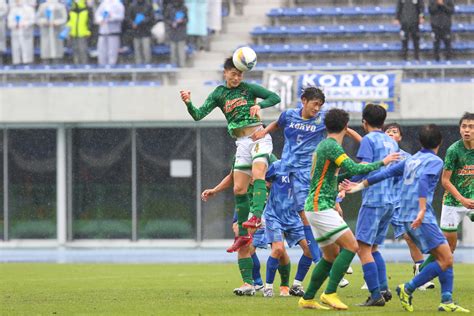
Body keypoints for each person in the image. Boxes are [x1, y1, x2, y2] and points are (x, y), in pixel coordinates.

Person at [345, 124, 469, 313]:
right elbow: (424, 182)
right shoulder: (434, 161)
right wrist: (421, 210)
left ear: (419, 142)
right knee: (446, 258)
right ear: (440, 143)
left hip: (403, 215)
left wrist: (358, 186)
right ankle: (408, 288)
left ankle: (446, 299)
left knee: (443, 256)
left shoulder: (412, 159)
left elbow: (384, 173)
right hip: (421, 216)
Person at [298, 108, 398, 310]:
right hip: (319, 206)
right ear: (346, 126)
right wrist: (383, 162)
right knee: (352, 246)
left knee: (329, 256)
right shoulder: (332, 146)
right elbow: (354, 169)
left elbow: (323, 178)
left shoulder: (326, 146)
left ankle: (307, 298)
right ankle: (330, 293)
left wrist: (335, 200)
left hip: (318, 205)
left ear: (326, 126)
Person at [181, 56, 280, 252]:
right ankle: (243, 236)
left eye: (240, 74)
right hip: (241, 143)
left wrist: (260, 105)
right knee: (238, 189)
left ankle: (257, 216)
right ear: (225, 72)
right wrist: (188, 102)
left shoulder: (249, 88)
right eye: (233, 74)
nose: (237, 78)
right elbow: (198, 115)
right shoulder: (219, 93)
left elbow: (275, 97)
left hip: (258, 137)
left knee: (259, 172)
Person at [253, 87, 361, 266]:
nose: (317, 108)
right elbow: (276, 124)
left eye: (320, 105)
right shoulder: (289, 115)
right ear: (304, 100)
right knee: (307, 214)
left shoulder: (322, 119)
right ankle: (325, 258)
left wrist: (366, 144)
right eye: (315, 104)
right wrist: (263, 133)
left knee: (327, 212)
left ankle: (333, 255)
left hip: (311, 172)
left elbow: (345, 130)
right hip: (291, 171)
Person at [351, 104, 399, 307]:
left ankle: (375, 295)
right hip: (390, 199)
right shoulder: (391, 142)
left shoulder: (368, 140)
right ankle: (383, 287)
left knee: (362, 248)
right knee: (374, 248)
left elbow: (364, 167)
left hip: (374, 199)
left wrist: (348, 180)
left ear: (364, 122)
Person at [383, 122, 435, 290]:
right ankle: (372, 276)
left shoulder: (407, 158)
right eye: (388, 131)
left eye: (395, 131)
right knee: (369, 242)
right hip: (378, 202)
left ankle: (421, 273)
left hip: (399, 203)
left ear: (400, 137)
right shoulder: (376, 155)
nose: (391, 133)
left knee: (409, 237)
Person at [262, 160, 313, 298]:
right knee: (278, 249)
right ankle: (268, 287)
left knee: (309, 250)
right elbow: (263, 180)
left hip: (294, 217)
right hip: (274, 216)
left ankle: (296, 285)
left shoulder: (305, 171)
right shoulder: (277, 166)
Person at [439, 112, 474, 251]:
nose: (467, 130)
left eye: (471, 127)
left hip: (472, 198)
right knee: (449, 248)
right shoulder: (453, 150)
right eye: (464, 126)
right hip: (453, 202)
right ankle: (421, 269)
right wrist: (462, 199)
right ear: (459, 129)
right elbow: (445, 181)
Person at [94, 0, 125, 65]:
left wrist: (111, 17)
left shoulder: (118, 4)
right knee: (102, 51)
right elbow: (97, 14)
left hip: (113, 32)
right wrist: (100, 20)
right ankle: (102, 68)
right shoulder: (104, 3)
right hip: (103, 31)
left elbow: (121, 17)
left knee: (112, 52)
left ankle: (111, 68)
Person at [7, 0, 35, 65]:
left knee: (27, 48)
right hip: (16, 32)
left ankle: (27, 63)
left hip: (26, 32)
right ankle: (17, 64)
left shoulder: (29, 9)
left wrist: (25, 24)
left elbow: (32, 20)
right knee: (16, 48)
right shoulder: (13, 10)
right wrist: (15, 25)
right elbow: (9, 21)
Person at [127, 0, 154, 64]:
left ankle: (148, 66)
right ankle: (138, 66)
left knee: (146, 50)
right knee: (137, 50)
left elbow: (152, 18)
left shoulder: (148, 5)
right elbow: (128, 17)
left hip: (146, 32)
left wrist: (143, 21)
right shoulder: (132, 5)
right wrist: (132, 23)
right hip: (136, 32)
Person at [66, 0, 92, 65]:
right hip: (73, 34)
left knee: (83, 51)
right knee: (75, 51)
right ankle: (76, 70)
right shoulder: (71, 10)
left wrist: (88, 31)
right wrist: (68, 30)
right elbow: (69, 21)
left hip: (83, 34)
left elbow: (90, 22)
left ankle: (85, 69)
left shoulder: (87, 10)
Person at [164, 0, 187, 67]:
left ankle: (182, 67)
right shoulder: (169, 7)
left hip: (181, 32)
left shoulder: (184, 8)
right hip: (172, 33)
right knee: (173, 53)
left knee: (181, 53)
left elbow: (187, 19)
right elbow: (166, 19)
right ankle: (173, 69)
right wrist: (172, 23)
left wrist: (181, 21)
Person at [0, 0, 7, 64]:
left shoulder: (2, 1)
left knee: (1, 40)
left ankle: (1, 59)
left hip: (0, 21)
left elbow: (5, 10)